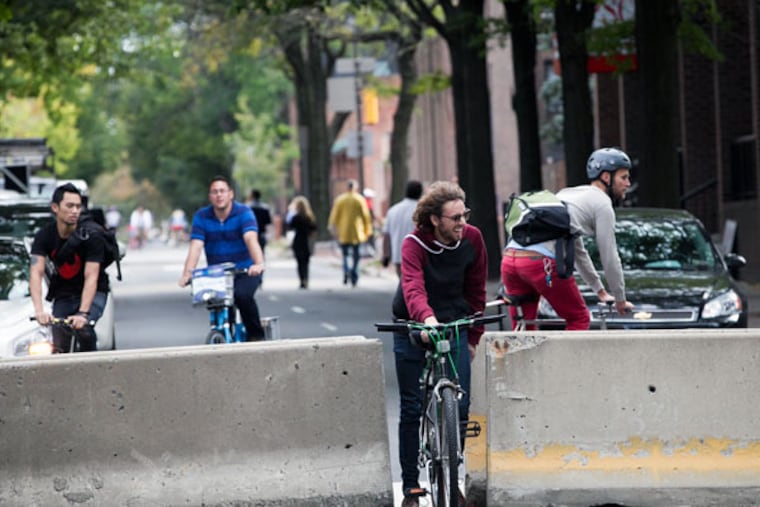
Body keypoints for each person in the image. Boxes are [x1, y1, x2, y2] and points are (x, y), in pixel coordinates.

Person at [390, 181, 487, 507]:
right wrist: (427, 320)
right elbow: (412, 288)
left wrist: (473, 337)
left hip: (455, 324)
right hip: (414, 323)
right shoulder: (414, 243)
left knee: (459, 407)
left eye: (464, 215)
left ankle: (450, 476)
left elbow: (476, 291)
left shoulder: (472, 238)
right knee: (412, 407)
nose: (462, 223)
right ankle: (410, 487)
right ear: (435, 219)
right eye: (455, 217)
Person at [500, 146, 635, 330]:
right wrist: (620, 299)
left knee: (524, 327)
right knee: (579, 318)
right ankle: (565, 361)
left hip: (510, 260)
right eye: (624, 177)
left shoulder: (567, 193)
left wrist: (600, 291)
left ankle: (518, 359)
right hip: (541, 265)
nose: (628, 183)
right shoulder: (603, 204)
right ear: (606, 177)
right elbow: (609, 257)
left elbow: (578, 252)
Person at [179, 176, 267, 340]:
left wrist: (258, 263)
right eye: (214, 192)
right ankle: (223, 337)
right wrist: (187, 273)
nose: (219, 195)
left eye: (222, 191)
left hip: (245, 270)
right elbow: (196, 246)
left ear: (230, 194)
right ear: (210, 196)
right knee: (218, 305)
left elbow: (250, 238)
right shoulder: (202, 216)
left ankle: (257, 337)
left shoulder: (244, 213)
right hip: (218, 274)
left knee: (242, 296)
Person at [29, 183, 110, 352]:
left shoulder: (90, 235)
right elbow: (36, 272)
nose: (75, 211)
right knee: (59, 337)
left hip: (94, 291)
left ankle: (92, 369)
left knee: (84, 331)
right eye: (69, 206)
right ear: (55, 208)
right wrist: (39, 311)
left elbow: (91, 276)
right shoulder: (44, 236)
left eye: (78, 206)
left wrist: (83, 313)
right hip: (64, 291)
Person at [327, 179, 373, 287]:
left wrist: (332, 228)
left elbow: (334, 216)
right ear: (355, 188)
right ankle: (354, 275)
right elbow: (365, 216)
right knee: (356, 256)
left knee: (345, 255)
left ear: (347, 187)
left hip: (343, 232)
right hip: (357, 233)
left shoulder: (340, 200)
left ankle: (346, 270)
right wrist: (368, 230)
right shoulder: (360, 199)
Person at [381, 180, 423, 277]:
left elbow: (386, 235)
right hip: (417, 255)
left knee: (403, 285)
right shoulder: (422, 210)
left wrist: (386, 255)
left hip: (398, 255)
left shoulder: (393, 210)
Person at [286, 196, 317, 289]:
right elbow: (314, 229)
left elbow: (289, 225)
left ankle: (302, 280)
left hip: (298, 240)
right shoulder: (310, 217)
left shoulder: (296, 217)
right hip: (307, 241)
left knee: (299, 262)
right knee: (306, 262)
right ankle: (306, 279)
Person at [249, 189, 272, 255]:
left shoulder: (248, 208)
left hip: (251, 232)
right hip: (262, 233)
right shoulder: (265, 208)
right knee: (261, 252)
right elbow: (268, 222)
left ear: (252, 196)